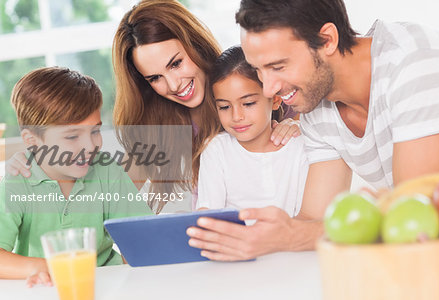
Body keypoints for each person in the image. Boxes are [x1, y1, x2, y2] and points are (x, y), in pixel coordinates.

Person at [186, 0, 439, 261]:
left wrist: (290, 236)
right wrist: (272, 234)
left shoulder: (414, 63)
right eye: (258, 70)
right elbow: (314, 220)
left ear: (327, 40)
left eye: (277, 66)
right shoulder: (317, 110)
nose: (268, 88)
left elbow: (409, 214)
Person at [6, 0, 300, 214]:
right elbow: (108, 191)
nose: (173, 84)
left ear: (194, 44)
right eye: (155, 78)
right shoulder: (160, 128)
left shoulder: (254, 85)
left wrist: (298, 126)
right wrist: (40, 162)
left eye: (176, 63)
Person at [0, 67, 153, 286]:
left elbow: (140, 238)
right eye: (72, 136)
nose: (90, 146)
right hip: (46, 287)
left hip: (107, 285)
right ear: (32, 140)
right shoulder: (18, 181)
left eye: (94, 131)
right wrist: (46, 267)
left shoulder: (106, 170)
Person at [196, 46, 308, 217]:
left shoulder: (300, 147)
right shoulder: (216, 150)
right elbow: (209, 217)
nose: (236, 116)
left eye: (248, 104)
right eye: (224, 107)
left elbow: (308, 219)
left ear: (276, 99)